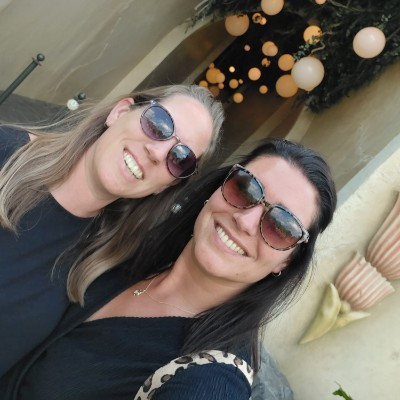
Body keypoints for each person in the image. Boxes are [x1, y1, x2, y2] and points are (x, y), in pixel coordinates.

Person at [2, 139, 337, 399]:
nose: (246, 221)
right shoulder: (131, 255)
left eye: (281, 226)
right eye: (246, 188)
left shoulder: (209, 379)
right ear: (219, 187)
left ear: (287, 261)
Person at [0, 85, 224, 377]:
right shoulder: (6, 154)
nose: (157, 153)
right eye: (159, 124)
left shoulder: (104, 265)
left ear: (167, 185)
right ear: (119, 112)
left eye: (180, 159)